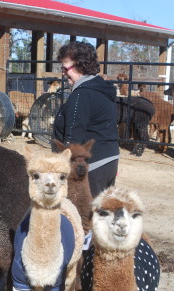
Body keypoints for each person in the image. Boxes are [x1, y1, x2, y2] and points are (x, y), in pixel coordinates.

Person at [52, 41, 119, 198]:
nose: (63, 73)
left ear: (79, 65)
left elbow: (73, 139)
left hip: (92, 166)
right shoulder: (101, 89)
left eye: (65, 68)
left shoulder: (81, 95)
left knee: (82, 215)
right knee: (100, 212)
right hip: (109, 160)